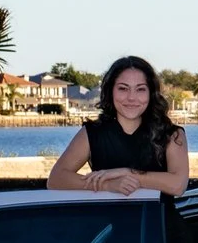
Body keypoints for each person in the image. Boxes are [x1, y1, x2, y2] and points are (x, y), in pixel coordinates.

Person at [46, 56, 190, 196]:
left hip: (159, 220)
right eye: (123, 88)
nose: (131, 97)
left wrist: (127, 173)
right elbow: (56, 179)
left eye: (140, 89)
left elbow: (178, 185)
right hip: (108, 220)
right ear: (111, 91)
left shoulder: (172, 135)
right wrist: (107, 185)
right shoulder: (93, 133)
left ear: (151, 93)